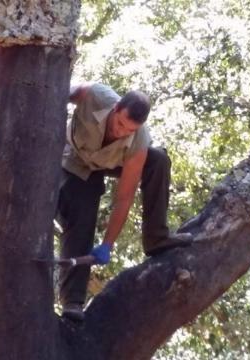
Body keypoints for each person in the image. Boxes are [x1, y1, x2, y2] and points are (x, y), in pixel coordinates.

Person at [56, 82, 192, 321]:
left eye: (129, 130)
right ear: (116, 108)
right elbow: (56, 95)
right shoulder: (94, 95)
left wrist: (108, 244)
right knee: (82, 215)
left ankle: (156, 237)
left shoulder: (138, 140)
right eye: (120, 124)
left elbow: (124, 196)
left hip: (113, 162)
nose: (121, 132)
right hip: (74, 159)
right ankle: (72, 301)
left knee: (158, 159)